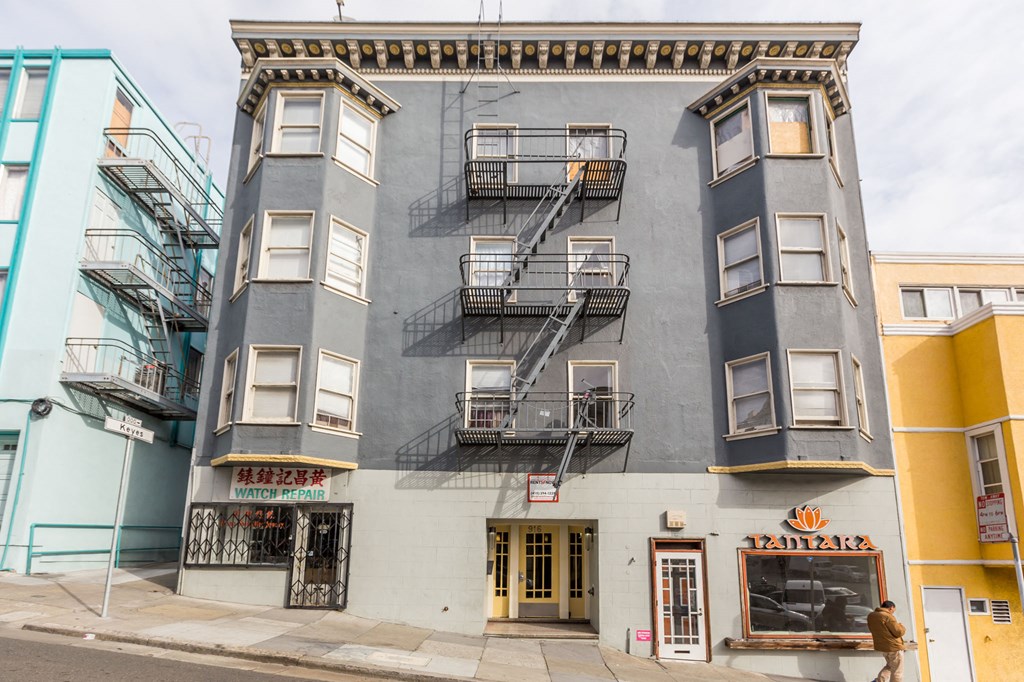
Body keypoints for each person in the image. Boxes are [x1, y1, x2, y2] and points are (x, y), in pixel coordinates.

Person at [867, 600, 906, 682]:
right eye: (893, 611)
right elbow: (898, 632)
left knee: (890, 666)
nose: (892, 613)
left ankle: (879, 681)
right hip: (894, 647)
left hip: (883, 647)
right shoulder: (888, 616)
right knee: (897, 671)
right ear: (891, 608)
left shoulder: (871, 616)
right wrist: (901, 626)